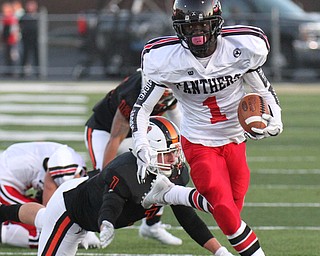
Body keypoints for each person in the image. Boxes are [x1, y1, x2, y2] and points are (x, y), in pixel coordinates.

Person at [129, 1, 283, 256]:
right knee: (224, 209)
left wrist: (275, 119)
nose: (197, 35)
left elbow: (263, 90)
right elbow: (141, 109)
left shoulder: (240, 48)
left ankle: (170, 194)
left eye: (202, 25)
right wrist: (141, 145)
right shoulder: (166, 59)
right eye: (189, 27)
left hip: (235, 139)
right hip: (199, 142)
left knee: (231, 207)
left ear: (217, 24)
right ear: (179, 29)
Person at [0, 117, 234, 256]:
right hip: (70, 213)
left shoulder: (175, 173)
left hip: (85, 190)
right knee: (47, 218)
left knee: (41, 217)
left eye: (175, 153)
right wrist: (106, 224)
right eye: (167, 154)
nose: (175, 160)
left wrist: (219, 251)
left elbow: (187, 217)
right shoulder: (125, 172)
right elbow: (110, 203)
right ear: (149, 154)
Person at [84, 69, 182, 245]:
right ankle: (85, 228)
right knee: (99, 179)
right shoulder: (132, 95)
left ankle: (152, 225)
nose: (163, 96)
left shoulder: (170, 86)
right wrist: (106, 176)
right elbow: (115, 139)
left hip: (138, 136)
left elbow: (177, 118)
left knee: (161, 171)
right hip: (104, 131)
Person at [0, 142, 98, 249]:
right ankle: (4, 232)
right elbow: (49, 215)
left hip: (9, 173)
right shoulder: (67, 168)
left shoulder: (71, 167)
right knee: (47, 235)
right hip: (5, 181)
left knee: (46, 221)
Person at [19, 0, 39, 77]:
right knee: (25, 55)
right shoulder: (24, 16)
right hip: (26, 38)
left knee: (37, 55)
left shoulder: (38, 16)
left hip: (36, 39)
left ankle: (39, 72)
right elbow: (19, 25)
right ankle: (22, 73)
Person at [1, 1, 19, 75]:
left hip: (11, 41)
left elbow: (15, 29)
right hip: (5, 40)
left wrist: (15, 38)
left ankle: (14, 71)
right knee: (6, 56)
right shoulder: (3, 18)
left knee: (13, 56)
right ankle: (8, 71)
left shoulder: (12, 18)